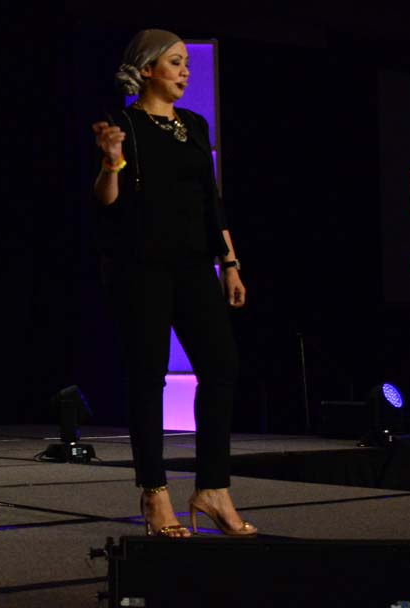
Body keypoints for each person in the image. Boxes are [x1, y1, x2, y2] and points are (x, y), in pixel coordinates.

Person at [91, 29, 257, 538]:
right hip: (141, 268)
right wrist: (111, 162)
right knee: (148, 377)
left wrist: (230, 262)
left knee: (221, 366)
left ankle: (213, 489)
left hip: (195, 266)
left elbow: (211, 201)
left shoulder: (194, 124)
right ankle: (154, 492)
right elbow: (107, 200)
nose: (185, 72)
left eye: (186, 63)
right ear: (146, 69)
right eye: (175, 63)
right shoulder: (122, 124)